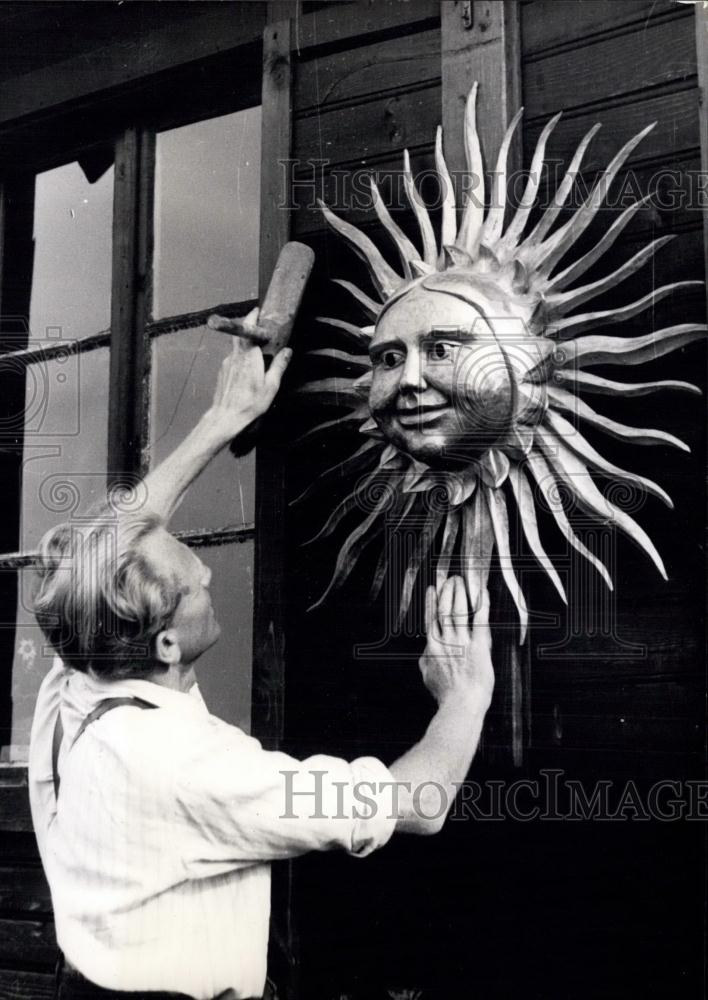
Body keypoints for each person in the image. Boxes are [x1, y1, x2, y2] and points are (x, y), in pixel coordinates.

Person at [28, 310, 495, 1000]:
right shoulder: (195, 767)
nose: (210, 574)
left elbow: (114, 537)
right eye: (192, 581)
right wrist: (465, 696)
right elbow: (416, 804)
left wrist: (224, 418)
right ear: (163, 642)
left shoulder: (77, 679)